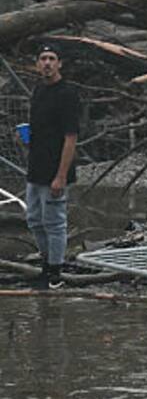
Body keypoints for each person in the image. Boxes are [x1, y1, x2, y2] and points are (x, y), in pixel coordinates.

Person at [25, 42, 80, 290]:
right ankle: (46, 264)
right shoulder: (38, 90)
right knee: (34, 219)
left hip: (56, 170)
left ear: (59, 64)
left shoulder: (67, 94)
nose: (47, 63)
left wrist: (61, 176)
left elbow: (71, 137)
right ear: (37, 64)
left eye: (51, 58)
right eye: (43, 58)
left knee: (55, 222)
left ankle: (55, 273)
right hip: (35, 168)